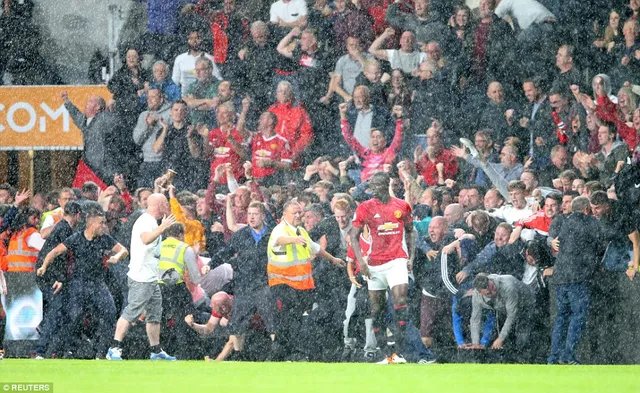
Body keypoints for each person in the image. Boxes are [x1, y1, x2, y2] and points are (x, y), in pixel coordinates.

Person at [37, 202, 128, 359]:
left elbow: (124, 250)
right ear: (92, 224)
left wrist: (117, 256)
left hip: (98, 283)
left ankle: (102, 353)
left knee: (109, 312)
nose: (104, 226)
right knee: (73, 316)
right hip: (78, 282)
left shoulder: (104, 238)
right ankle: (64, 351)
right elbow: (54, 252)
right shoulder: (76, 238)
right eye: (101, 223)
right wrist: (44, 266)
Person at [349, 172, 416, 364]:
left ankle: (400, 351)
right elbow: (354, 236)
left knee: (400, 300)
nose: (373, 190)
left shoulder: (402, 206)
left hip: (397, 260)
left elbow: (411, 232)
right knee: (376, 309)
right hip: (374, 264)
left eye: (377, 186)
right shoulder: (365, 207)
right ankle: (386, 354)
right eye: (371, 187)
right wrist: (361, 262)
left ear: (387, 184)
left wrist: (411, 257)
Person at [267, 200, 346, 360]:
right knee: (294, 317)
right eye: (294, 213)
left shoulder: (301, 231)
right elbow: (278, 240)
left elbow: (315, 248)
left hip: (300, 285)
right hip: (283, 283)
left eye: (299, 213)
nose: (298, 215)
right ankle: (299, 351)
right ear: (284, 215)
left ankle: (280, 351)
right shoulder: (280, 229)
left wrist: (333, 259)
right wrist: (294, 240)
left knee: (291, 318)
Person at [106, 193, 177, 361]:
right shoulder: (146, 221)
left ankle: (156, 351)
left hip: (151, 278)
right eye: (165, 204)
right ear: (158, 205)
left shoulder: (151, 221)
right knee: (131, 312)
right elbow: (145, 239)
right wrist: (162, 228)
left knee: (154, 315)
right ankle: (114, 348)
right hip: (141, 278)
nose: (167, 207)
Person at [208, 201, 276, 359]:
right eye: (249, 214)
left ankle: (276, 352)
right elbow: (227, 251)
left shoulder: (272, 234)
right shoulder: (241, 234)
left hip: (266, 283)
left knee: (271, 320)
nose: (251, 218)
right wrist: (211, 265)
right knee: (237, 323)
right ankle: (239, 355)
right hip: (244, 285)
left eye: (255, 214)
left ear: (263, 216)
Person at [548, 196, 602, 365]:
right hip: (577, 276)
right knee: (578, 316)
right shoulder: (590, 223)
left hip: (561, 276)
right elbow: (599, 245)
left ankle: (554, 357)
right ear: (587, 209)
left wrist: (550, 242)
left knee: (561, 317)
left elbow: (552, 241)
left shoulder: (563, 222)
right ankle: (568, 355)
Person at [33, 201, 82, 359]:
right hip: (49, 276)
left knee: (60, 310)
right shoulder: (65, 229)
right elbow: (57, 256)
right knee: (56, 311)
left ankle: (55, 348)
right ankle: (41, 350)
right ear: (77, 215)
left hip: (46, 274)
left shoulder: (61, 226)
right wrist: (59, 278)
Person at [157, 222, 202, 360]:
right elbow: (195, 278)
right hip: (176, 287)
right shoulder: (184, 248)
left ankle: (159, 351)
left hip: (158, 287)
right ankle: (184, 354)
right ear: (181, 234)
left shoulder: (158, 245)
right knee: (184, 320)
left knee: (159, 321)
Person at [466, 273, 536, 355]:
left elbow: (511, 315)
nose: (493, 291)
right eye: (488, 293)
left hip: (526, 304)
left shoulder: (508, 286)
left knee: (522, 336)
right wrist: (475, 343)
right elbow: (475, 319)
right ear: (480, 293)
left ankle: (523, 357)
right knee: (505, 339)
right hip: (503, 307)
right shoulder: (476, 296)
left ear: (490, 281)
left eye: (492, 287)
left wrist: (500, 338)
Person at [62, 91, 118, 184]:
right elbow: (76, 115)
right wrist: (67, 102)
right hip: (90, 167)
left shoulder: (103, 118)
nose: (86, 104)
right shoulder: (86, 122)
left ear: (98, 107)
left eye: (90, 102)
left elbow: (112, 121)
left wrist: (110, 110)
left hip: (102, 169)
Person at [133, 87, 172, 188]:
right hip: (146, 162)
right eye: (148, 97)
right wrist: (148, 126)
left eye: (153, 97)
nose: (149, 100)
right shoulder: (143, 115)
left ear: (161, 99)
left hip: (164, 162)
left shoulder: (171, 113)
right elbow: (137, 140)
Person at [172, 30, 222, 97]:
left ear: (201, 40)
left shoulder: (209, 58)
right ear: (187, 40)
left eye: (197, 38)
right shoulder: (179, 59)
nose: (194, 41)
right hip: (185, 98)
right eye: (191, 38)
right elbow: (175, 82)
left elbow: (218, 79)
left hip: (206, 96)